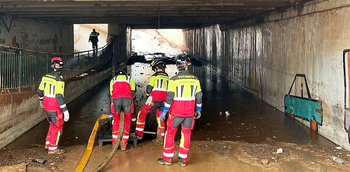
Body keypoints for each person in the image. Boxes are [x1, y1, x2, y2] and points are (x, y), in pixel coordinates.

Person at [157, 57, 203, 166]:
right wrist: (199, 109)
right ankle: (183, 160)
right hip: (189, 114)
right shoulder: (195, 79)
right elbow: (199, 95)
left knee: (170, 133)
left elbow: (170, 97)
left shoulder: (174, 80)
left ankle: (168, 159)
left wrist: (164, 111)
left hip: (175, 113)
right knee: (186, 134)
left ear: (178, 67)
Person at [37, 57, 69, 155]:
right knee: (57, 127)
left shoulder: (45, 77)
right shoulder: (59, 80)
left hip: (46, 105)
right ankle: (53, 148)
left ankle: (48, 143)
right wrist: (65, 110)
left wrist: (42, 100)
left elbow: (39, 91)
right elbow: (59, 97)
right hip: (55, 106)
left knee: (52, 124)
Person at [135, 59, 169, 142]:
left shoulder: (154, 76)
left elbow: (149, 88)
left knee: (142, 113)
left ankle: (138, 134)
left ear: (156, 68)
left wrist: (148, 96)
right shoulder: (167, 77)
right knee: (160, 117)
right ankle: (161, 137)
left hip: (154, 98)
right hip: (164, 100)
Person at [110, 69, 136, 150]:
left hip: (116, 100)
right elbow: (133, 92)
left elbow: (111, 93)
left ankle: (115, 143)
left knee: (116, 120)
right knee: (127, 121)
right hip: (127, 99)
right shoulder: (129, 79)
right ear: (125, 74)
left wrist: (113, 103)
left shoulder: (113, 80)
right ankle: (124, 144)